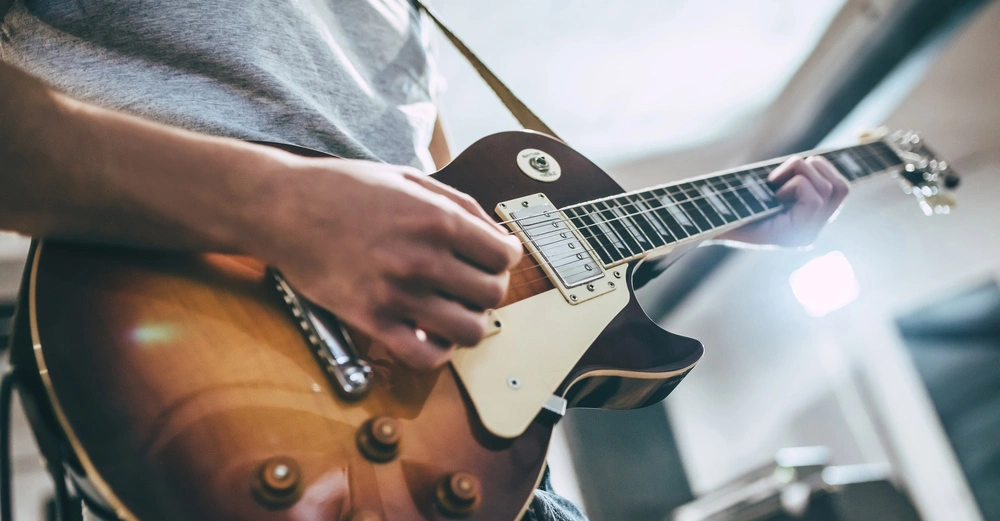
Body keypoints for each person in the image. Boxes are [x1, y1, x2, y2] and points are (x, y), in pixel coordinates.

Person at [0, 1, 849, 519]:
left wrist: (708, 222)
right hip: (193, 347)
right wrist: (277, 205)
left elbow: (477, 235)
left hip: (460, 450)